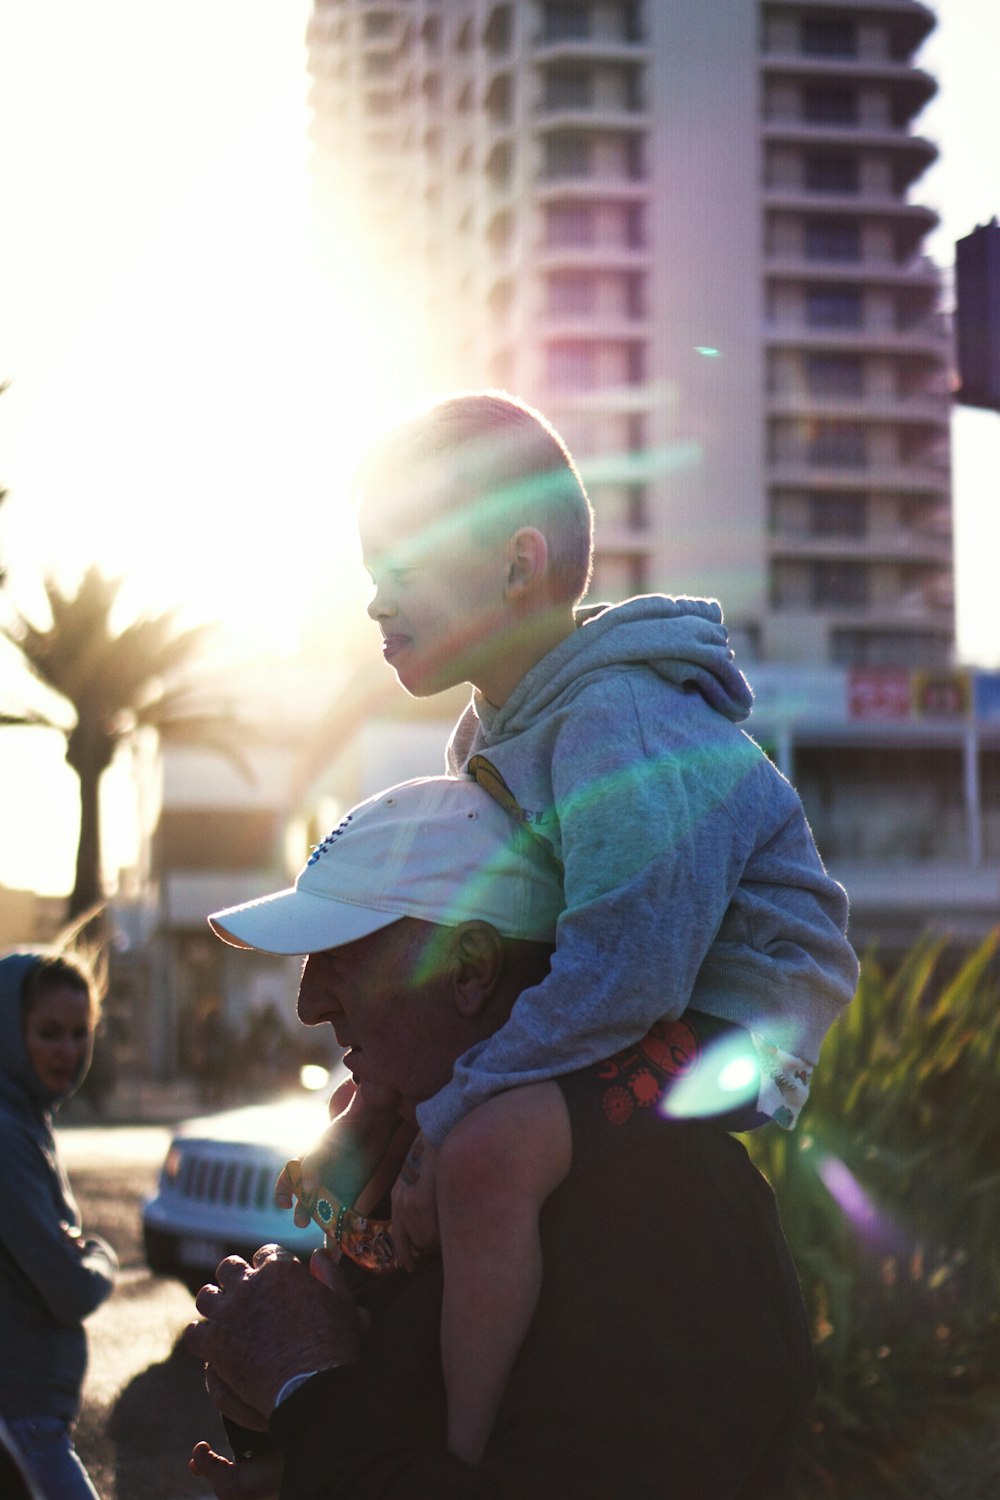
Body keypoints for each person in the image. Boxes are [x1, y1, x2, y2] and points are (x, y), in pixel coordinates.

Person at [277, 390, 859, 1458]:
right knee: (429, 1114)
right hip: (645, 992)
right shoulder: (489, 735)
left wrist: (452, 1117)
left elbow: (626, 971)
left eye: (398, 569)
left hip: (735, 1009)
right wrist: (388, 1109)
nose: (373, 602)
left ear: (516, 565)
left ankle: (464, 1450)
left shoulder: (612, 722)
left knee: (491, 1152)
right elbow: (519, 969)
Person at [186, 775, 817, 1499]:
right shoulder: (414, 1163)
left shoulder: (663, 1207)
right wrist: (281, 1420)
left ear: (471, 969)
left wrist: (305, 1384)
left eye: (337, 954)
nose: (306, 1004)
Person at [0, 947, 119, 1500]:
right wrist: (101, 1255)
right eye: (49, 1032)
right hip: (20, 1422)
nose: (68, 1051)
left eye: (80, 1033)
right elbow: (69, 1288)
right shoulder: (7, 1133)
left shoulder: (27, 1117)